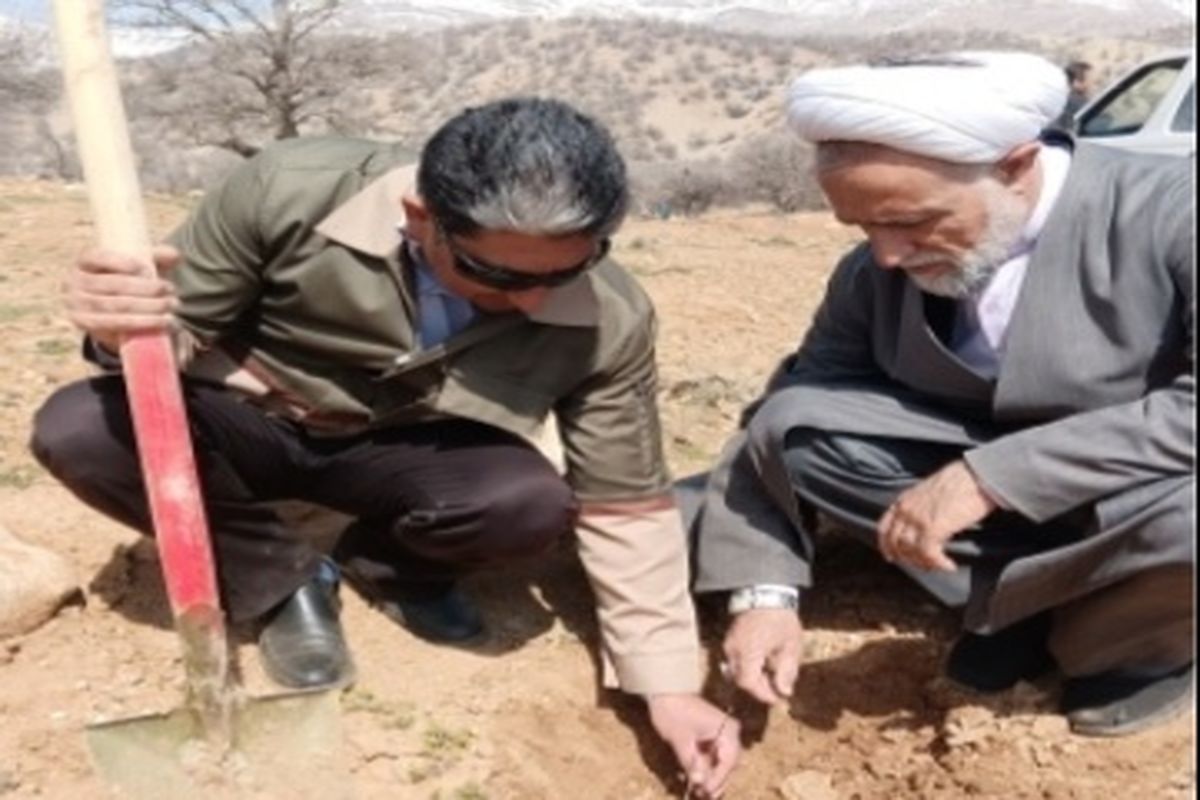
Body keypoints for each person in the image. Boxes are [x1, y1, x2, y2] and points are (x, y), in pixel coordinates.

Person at [30, 97, 738, 795]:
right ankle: (282, 582)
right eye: (498, 276)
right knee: (82, 429)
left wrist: (667, 688)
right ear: (420, 218)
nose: (533, 302)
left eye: (561, 273)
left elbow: (626, 506)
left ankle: (392, 566)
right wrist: (126, 329)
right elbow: (175, 332)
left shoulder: (611, 317)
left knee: (525, 505)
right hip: (250, 420)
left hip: (407, 451)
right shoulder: (287, 191)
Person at [691, 52, 1194, 737]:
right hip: (996, 497)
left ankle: (1134, 648)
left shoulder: (1174, 211)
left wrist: (993, 477)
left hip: (1146, 489)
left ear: (1016, 166)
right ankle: (1014, 607)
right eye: (865, 229)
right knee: (798, 428)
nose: (889, 255)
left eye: (913, 221)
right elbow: (790, 408)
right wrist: (764, 590)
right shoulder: (876, 269)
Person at [1055, 59, 1094, 130]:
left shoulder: (1059, 98)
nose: (1091, 83)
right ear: (1077, 82)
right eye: (1088, 79)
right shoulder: (1077, 101)